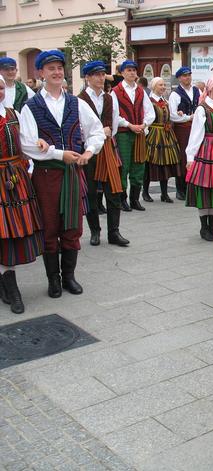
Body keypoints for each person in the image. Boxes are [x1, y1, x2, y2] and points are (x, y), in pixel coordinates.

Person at [19, 50, 105, 298]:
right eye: (50, 69)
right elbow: (26, 144)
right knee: (49, 228)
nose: (56, 72)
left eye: (59, 68)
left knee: (72, 226)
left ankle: (69, 276)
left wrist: (89, 151)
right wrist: (59, 154)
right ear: (40, 73)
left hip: (71, 174)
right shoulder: (31, 106)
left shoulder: (76, 103)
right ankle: (53, 280)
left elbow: (96, 131)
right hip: (46, 175)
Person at [0, 77, 45, 314]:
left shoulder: (13, 113)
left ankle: (10, 285)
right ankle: (9, 287)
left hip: (14, 178)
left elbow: (25, 142)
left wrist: (38, 144)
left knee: (11, 232)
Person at [77, 61, 129, 248]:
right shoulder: (80, 99)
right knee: (91, 191)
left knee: (114, 190)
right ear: (88, 78)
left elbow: (114, 121)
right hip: (89, 150)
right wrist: (98, 134)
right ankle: (95, 231)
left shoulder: (110, 97)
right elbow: (79, 126)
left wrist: (109, 132)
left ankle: (114, 232)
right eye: (96, 75)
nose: (100, 78)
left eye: (102, 74)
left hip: (107, 147)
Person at [185, 75, 213, 242]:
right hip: (207, 151)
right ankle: (204, 227)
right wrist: (191, 157)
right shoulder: (202, 109)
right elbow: (196, 134)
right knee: (205, 191)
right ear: (210, 88)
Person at [111, 60, 155, 212]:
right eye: (128, 70)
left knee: (139, 165)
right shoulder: (115, 91)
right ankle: (122, 199)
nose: (132, 73)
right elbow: (114, 115)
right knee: (124, 166)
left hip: (139, 133)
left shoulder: (141, 91)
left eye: (134, 70)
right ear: (122, 73)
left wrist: (144, 124)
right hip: (124, 134)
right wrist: (129, 125)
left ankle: (135, 199)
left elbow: (150, 112)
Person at [145, 78, 181, 204]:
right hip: (154, 134)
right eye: (160, 85)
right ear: (154, 86)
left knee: (166, 163)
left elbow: (170, 116)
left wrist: (178, 114)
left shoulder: (164, 101)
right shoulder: (149, 101)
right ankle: (145, 192)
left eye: (164, 85)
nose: (163, 87)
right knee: (151, 163)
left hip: (166, 133)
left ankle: (164, 193)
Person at [169, 66, 200, 201]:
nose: (187, 78)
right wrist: (188, 117)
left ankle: (193, 186)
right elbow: (173, 115)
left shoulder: (197, 90)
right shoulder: (175, 94)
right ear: (180, 78)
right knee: (183, 157)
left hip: (197, 127)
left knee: (196, 155)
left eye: (189, 75)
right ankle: (180, 189)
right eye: (184, 76)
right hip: (183, 128)